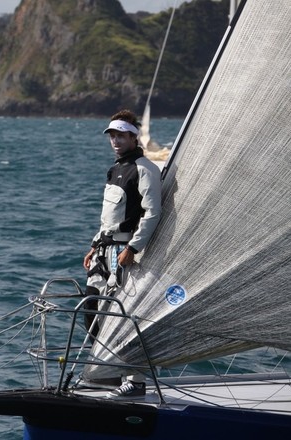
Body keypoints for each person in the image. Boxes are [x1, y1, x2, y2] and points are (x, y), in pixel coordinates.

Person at [82, 109, 162, 398]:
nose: (115, 140)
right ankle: (110, 371)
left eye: (120, 135)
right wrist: (94, 245)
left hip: (125, 252)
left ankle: (135, 379)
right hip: (104, 251)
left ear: (133, 136)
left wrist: (133, 248)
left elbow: (153, 213)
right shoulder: (115, 169)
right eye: (111, 135)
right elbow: (109, 217)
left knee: (124, 314)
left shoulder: (145, 169)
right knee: (91, 310)